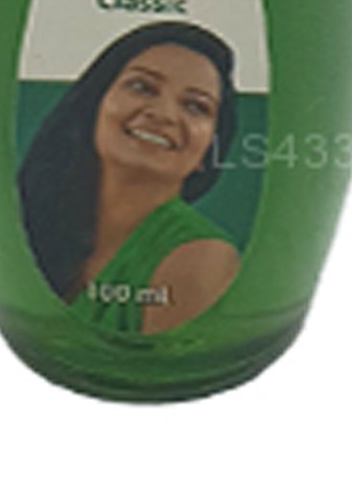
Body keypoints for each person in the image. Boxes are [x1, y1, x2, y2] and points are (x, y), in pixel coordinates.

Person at [18, 21, 241, 335]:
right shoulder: (33, 218)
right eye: (142, 87)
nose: (163, 114)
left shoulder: (200, 259)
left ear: (209, 150)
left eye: (195, 106)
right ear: (94, 105)